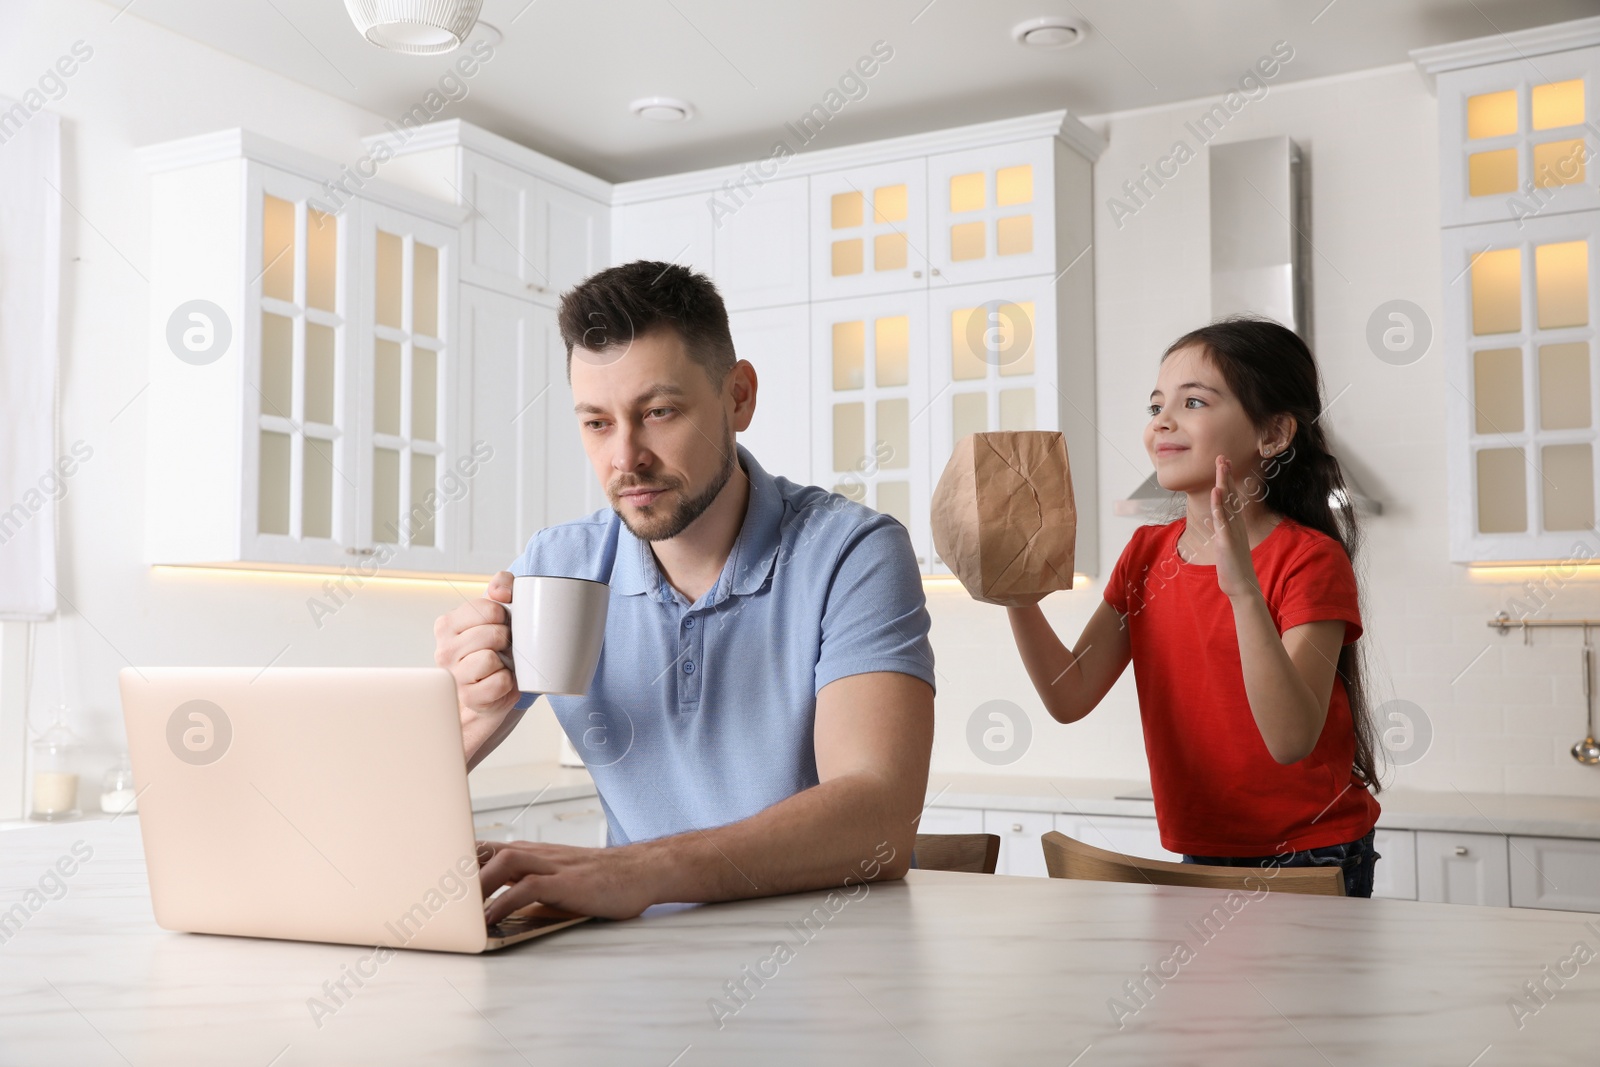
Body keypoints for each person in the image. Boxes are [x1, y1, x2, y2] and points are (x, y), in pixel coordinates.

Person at [433, 260, 936, 921]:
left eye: (659, 411)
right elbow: (378, 810)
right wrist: (463, 710)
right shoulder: (559, 567)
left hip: (827, 957)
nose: (625, 457)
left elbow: (876, 816)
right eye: (597, 422)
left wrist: (638, 869)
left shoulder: (850, 553)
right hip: (640, 969)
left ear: (739, 397)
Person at [1008, 318, 1383, 897]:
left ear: (1274, 434)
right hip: (1202, 848)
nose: (1162, 421)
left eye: (1193, 402)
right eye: (1157, 404)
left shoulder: (1309, 559)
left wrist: (1241, 591)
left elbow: (1289, 740)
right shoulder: (1146, 554)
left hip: (1312, 855)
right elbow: (1069, 693)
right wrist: (1018, 593)